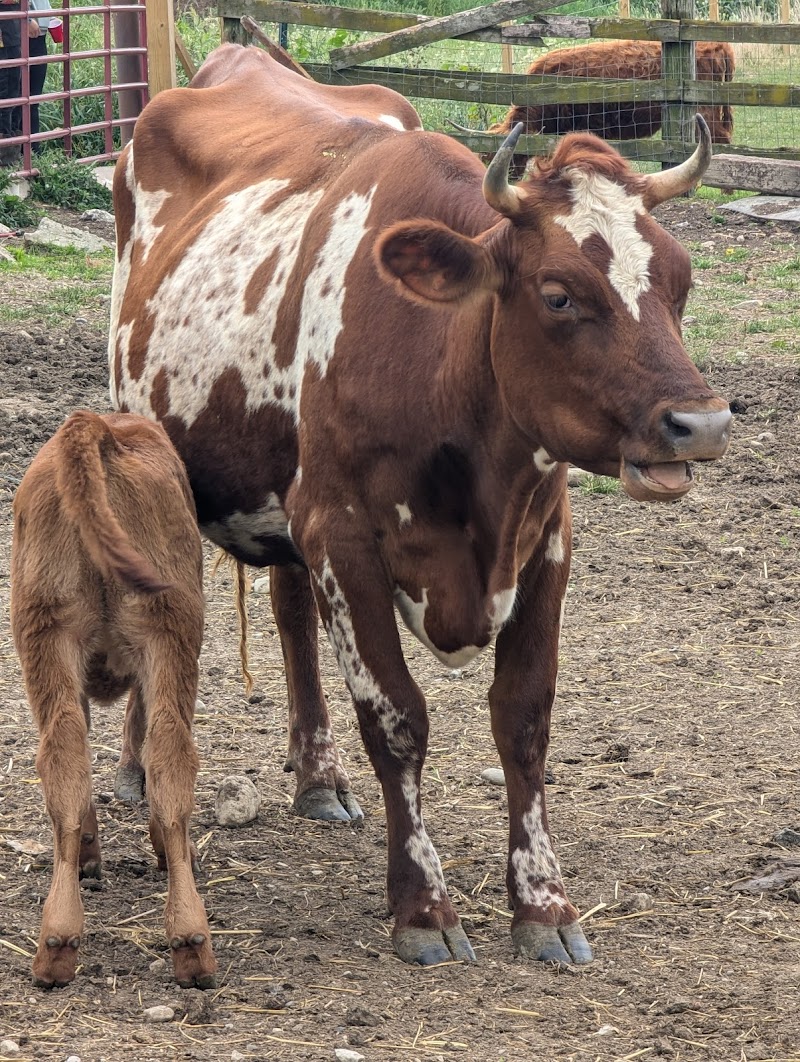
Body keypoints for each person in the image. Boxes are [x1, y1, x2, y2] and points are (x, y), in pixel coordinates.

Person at [0, 0, 22, 165]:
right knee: (6, 92)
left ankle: (10, 153)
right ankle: (5, 157)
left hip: (13, 34)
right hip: (6, 37)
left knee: (14, 93)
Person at [27, 0, 50, 146]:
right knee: (19, 98)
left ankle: (33, 150)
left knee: (32, 99)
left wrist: (51, 16)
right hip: (20, 37)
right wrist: (26, 19)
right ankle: (26, 150)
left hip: (40, 36)